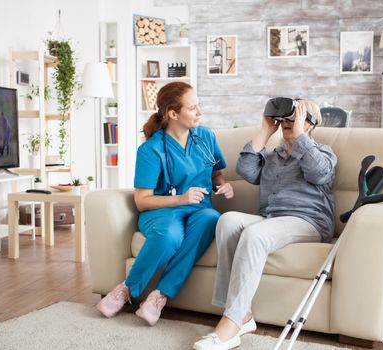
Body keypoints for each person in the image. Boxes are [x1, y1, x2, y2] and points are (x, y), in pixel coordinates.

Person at [193, 99, 337, 350]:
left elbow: (319, 173)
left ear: (310, 124)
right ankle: (242, 315)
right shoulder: (274, 155)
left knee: (255, 234)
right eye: (286, 119)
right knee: (228, 221)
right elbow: (246, 170)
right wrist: (266, 130)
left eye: (296, 118)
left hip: (308, 221)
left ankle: (230, 325)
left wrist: (300, 135)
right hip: (273, 218)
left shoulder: (323, 152)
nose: (288, 124)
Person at [96, 81, 234, 326]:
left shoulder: (205, 137)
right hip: (162, 211)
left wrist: (224, 184)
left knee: (211, 218)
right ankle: (127, 289)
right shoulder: (151, 149)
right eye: (193, 108)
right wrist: (181, 199)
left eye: (198, 105)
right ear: (172, 113)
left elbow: (216, 173)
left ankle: (159, 296)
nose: (200, 112)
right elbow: (142, 201)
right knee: (170, 235)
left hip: (199, 210)